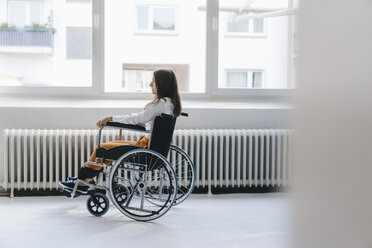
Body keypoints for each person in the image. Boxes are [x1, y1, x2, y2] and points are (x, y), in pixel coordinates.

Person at [59, 69, 182, 193]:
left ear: (162, 84)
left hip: (145, 148)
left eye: (153, 82)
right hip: (152, 146)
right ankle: (85, 179)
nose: (150, 84)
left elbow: (137, 118)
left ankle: (83, 181)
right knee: (106, 147)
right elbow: (144, 119)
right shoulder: (170, 104)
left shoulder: (159, 103)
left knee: (102, 149)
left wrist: (112, 118)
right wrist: (135, 119)